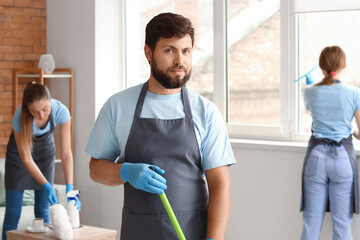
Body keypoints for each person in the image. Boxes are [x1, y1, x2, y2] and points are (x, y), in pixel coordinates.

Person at [86, 12, 236, 240]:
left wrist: (214, 239)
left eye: (186, 51)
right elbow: (96, 170)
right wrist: (125, 171)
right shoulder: (118, 106)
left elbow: (219, 186)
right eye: (169, 50)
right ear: (148, 52)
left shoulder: (206, 112)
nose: (180, 61)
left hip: (191, 233)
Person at [2, 82, 81, 240]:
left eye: (45, 109)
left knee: (43, 211)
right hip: (19, 158)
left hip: (45, 155)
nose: (42, 116)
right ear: (27, 109)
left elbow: (66, 154)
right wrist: (47, 186)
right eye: (35, 112)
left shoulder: (61, 111)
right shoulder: (19, 117)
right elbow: (26, 158)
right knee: (12, 213)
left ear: (50, 101)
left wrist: (70, 188)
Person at [300, 46, 360, 240]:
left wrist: (311, 87)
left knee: (311, 225)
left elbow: (311, 110)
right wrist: (350, 130)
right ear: (344, 65)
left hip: (316, 159)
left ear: (321, 66)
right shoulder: (354, 93)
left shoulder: (310, 91)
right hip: (342, 159)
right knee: (342, 227)